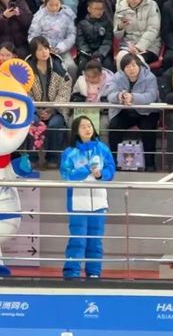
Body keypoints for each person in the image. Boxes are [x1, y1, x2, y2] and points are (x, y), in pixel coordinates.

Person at [60, 115, 115, 279]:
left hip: (99, 201)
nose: (87, 129)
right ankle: (72, 272)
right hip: (78, 202)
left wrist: (101, 175)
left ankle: (94, 273)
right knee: (77, 240)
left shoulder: (102, 149)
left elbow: (111, 170)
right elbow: (66, 175)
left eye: (89, 126)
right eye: (83, 126)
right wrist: (86, 170)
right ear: (76, 131)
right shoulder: (70, 152)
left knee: (95, 241)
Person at [106, 53, 160, 171]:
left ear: (139, 66)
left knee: (148, 129)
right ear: (123, 69)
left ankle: (150, 164)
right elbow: (110, 95)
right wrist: (119, 97)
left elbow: (151, 96)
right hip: (125, 110)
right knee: (114, 126)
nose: (131, 69)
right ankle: (114, 162)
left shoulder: (150, 77)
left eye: (134, 65)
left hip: (146, 112)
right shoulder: (117, 77)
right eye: (128, 66)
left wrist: (133, 97)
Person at [26, 36, 72, 168]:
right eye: (40, 49)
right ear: (34, 52)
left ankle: (53, 158)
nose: (44, 52)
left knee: (55, 124)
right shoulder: (27, 70)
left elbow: (64, 92)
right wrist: (37, 110)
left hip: (56, 110)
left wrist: (52, 110)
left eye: (46, 48)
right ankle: (32, 158)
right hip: (34, 109)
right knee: (32, 121)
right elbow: (25, 92)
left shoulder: (59, 68)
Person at [28, 0, 77, 79]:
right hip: (43, 49)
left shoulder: (67, 15)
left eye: (57, 5)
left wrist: (61, 46)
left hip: (62, 49)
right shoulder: (39, 16)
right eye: (51, 5)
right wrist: (45, 47)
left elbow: (71, 34)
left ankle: (69, 87)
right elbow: (33, 36)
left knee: (71, 67)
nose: (54, 8)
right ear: (45, 4)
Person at [113, 0, 161, 69]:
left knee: (135, 62)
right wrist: (120, 27)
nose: (131, 1)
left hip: (149, 46)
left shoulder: (152, 5)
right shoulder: (120, 7)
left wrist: (138, 48)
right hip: (128, 45)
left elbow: (153, 30)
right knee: (121, 59)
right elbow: (117, 36)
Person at [71, 59, 114, 131]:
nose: (90, 79)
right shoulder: (80, 81)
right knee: (72, 122)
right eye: (88, 77)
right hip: (83, 110)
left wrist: (100, 109)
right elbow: (74, 96)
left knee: (103, 124)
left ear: (100, 75)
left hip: (102, 111)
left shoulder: (109, 83)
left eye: (93, 77)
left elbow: (110, 100)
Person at [76, 0, 114, 72]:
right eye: (96, 9)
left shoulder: (107, 23)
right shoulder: (82, 24)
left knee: (108, 66)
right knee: (82, 66)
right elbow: (80, 41)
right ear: (89, 9)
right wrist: (88, 53)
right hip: (86, 54)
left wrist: (100, 54)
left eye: (101, 9)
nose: (99, 11)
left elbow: (108, 41)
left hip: (103, 54)